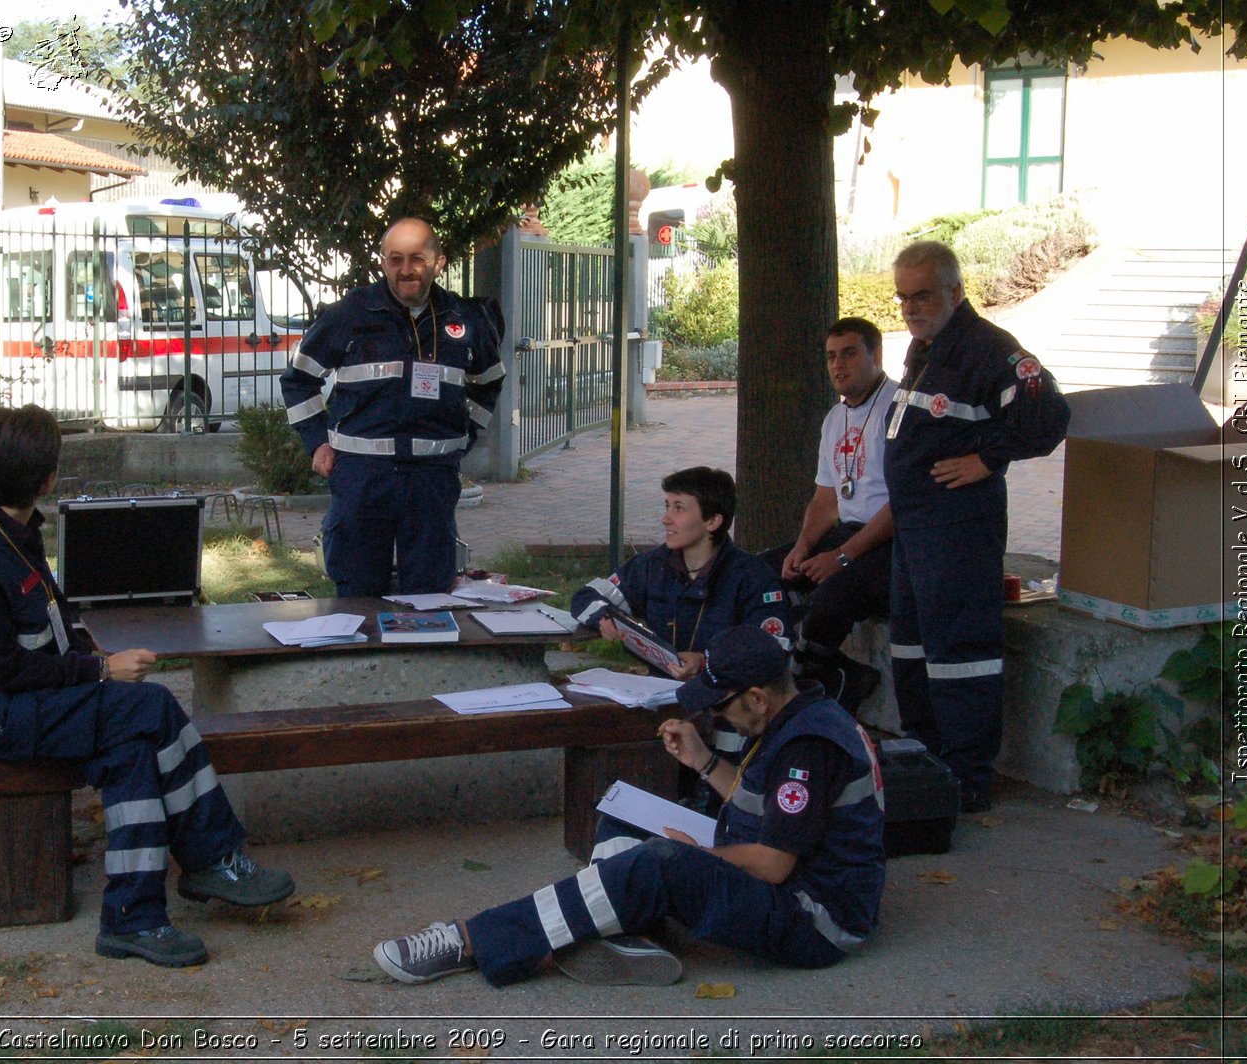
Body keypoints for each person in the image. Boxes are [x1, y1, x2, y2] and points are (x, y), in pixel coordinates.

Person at [0, 405, 293, 967]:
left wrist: (85, 659)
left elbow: (52, 632)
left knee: (131, 755)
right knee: (150, 707)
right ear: (49, 479)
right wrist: (101, 671)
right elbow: (4, 670)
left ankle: (133, 920)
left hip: (27, 700)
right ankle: (212, 858)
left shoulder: (13, 531)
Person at [372, 624, 885, 987]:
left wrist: (699, 859)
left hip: (813, 921)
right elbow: (764, 809)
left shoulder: (807, 750)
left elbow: (774, 864)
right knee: (623, 808)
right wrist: (704, 762)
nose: (717, 718)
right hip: (779, 872)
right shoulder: (797, 713)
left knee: (659, 861)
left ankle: (470, 941)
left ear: (756, 697)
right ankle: (622, 932)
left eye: (720, 706)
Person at [885, 240, 1069, 813]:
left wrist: (987, 459)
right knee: (913, 649)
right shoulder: (928, 348)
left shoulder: (990, 350)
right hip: (914, 531)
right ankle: (925, 758)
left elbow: (1049, 416)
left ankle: (966, 776)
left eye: (922, 296)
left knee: (960, 652)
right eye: (903, 298)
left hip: (957, 530)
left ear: (954, 291)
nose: (911, 308)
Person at [279, 217, 504, 596]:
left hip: (431, 480)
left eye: (417, 258)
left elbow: (489, 381)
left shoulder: (464, 320)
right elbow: (299, 378)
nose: (406, 270)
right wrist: (316, 441)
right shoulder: (350, 314)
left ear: (439, 262)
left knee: (430, 595)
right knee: (358, 595)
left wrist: (465, 436)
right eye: (395, 259)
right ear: (383, 262)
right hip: (362, 479)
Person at [759, 318, 896, 713]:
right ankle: (840, 674)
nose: (838, 365)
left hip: (889, 543)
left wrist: (840, 557)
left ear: (876, 355)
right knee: (761, 574)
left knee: (831, 594)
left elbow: (902, 505)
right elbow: (826, 497)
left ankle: (806, 691)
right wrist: (802, 546)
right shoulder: (835, 418)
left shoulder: (897, 409)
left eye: (850, 354)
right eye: (831, 357)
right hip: (848, 533)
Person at [571, 466, 788, 681]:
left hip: (728, 703)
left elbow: (772, 650)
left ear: (712, 521)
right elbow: (586, 596)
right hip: (658, 695)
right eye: (667, 506)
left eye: (679, 508)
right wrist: (604, 618)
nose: (665, 518)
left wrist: (706, 662)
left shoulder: (753, 578)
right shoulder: (652, 565)